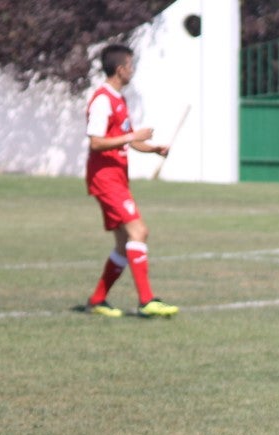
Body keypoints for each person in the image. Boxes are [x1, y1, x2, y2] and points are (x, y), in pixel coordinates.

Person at [81, 44, 178, 318]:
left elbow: (127, 139)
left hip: (117, 178)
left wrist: (153, 148)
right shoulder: (102, 100)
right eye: (131, 65)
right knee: (140, 232)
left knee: (124, 244)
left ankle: (97, 300)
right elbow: (97, 141)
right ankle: (147, 301)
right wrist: (131, 137)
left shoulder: (119, 100)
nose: (132, 70)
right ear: (120, 68)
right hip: (105, 178)